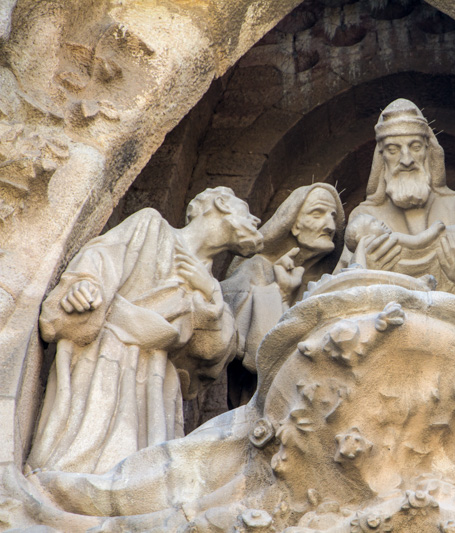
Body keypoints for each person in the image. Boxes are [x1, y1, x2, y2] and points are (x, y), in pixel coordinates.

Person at [27, 187, 263, 474]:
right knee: (80, 459)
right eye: (247, 211)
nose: (257, 221)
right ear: (222, 204)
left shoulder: (210, 286)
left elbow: (212, 357)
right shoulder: (150, 227)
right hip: (104, 357)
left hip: (157, 380)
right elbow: (101, 258)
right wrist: (85, 285)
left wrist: (209, 291)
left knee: (138, 472)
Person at [339, 98, 455, 332]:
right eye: (393, 149)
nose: (407, 159)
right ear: (382, 158)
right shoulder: (365, 214)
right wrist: (370, 272)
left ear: (429, 152)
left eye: (416, 147)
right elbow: (342, 293)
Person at [221, 183, 344, 403]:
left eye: (333, 216)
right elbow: (227, 312)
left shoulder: (330, 279)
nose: (330, 225)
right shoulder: (257, 266)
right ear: (293, 224)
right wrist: (280, 293)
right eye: (318, 214)